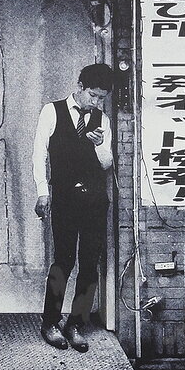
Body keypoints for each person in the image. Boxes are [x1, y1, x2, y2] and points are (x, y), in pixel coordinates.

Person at [32, 62, 114, 352]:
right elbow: (39, 154)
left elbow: (106, 163)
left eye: (101, 98)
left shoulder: (102, 120)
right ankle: (50, 323)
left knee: (90, 264)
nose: (96, 102)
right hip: (65, 199)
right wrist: (43, 193)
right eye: (93, 95)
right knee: (63, 261)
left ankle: (76, 324)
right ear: (80, 87)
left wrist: (99, 145)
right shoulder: (51, 111)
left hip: (95, 201)